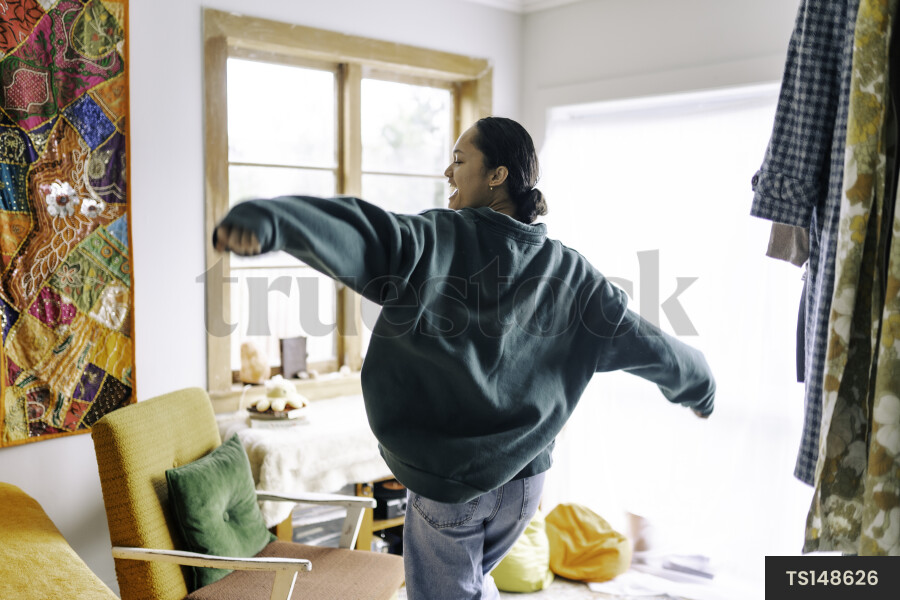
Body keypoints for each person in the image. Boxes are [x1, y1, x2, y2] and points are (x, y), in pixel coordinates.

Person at [213, 116, 715, 600]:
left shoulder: (437, 239)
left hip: (449, 484)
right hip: (526, 484)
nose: (447, 172)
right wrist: (699, 385)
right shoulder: (573, 272)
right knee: (472, 582)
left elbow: (370, 233)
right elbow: (645, 341)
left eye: (459, 159)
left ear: (497, 176)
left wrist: (272, 221)